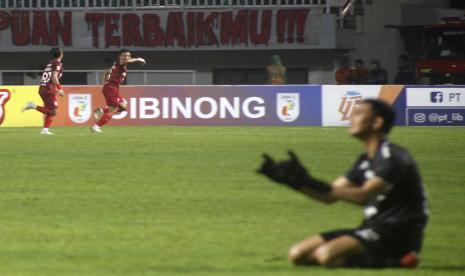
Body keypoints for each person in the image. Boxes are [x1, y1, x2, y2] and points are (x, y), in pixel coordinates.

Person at [257, 99, 428, 268]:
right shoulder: (364, 160)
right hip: (372, 227)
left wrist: (307, 180)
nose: (351, 118)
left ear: (377, 122)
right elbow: (329, 196)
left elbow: (363, 196)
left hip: (398, 232)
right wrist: (295, 184)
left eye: (358, 113)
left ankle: (401, 261)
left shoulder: (393, 157)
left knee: (326, 255)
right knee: (297, 254)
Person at [91, 49, 146, 133]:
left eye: (128, 56)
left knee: (124, 107)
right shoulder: (120, 63)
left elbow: (106, 73)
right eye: (124, 55)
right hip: (111, 88)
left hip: (112, 88)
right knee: (114, 109)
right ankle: (96, 126)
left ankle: (100, 110)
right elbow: (108, 71)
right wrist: (138, 59)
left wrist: (103, 85)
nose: (126, 57)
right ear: (120, 57)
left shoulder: (117, 65)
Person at [21, 47, 65, 135]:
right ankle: (33, 106)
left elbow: (50, 77)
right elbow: (54, 76)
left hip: (43, 88)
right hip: (48, 89)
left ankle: (45, 130)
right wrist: (59, 89)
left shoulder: (50, 63)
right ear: (60, 54)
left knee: (50, 110)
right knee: (53, 111)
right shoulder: (57, 63)